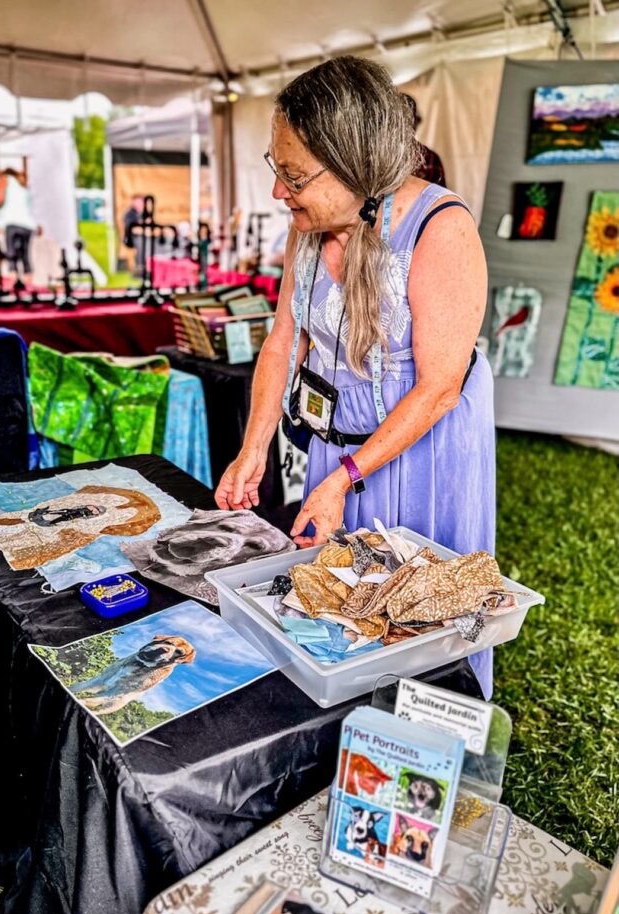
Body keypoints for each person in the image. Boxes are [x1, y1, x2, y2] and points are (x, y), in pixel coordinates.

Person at [214, 56, 494, 695]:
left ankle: (425, 737)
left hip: (421, 449)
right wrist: (253, 449)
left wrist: (348, 475)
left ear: (352, 163)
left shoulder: (440, 229)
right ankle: (344, 724)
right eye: (275, 169)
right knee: (338, 597)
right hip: (338, 444)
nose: (279, 193)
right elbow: (283, 344)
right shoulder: (307, 231)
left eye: (294, 176)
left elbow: (440, 387)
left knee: (417, 603)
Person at [0, 168, 37, 283]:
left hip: (11, 222)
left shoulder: (5, 180)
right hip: (28, 224)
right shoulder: (23, 185)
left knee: (11, 255)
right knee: (25, 255)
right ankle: (28, 284)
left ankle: (13, 284)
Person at [401, 94, 446, 187]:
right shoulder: (372, 156)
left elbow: (438, 197)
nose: (404, 126)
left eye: (409, 120)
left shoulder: (430, 158)